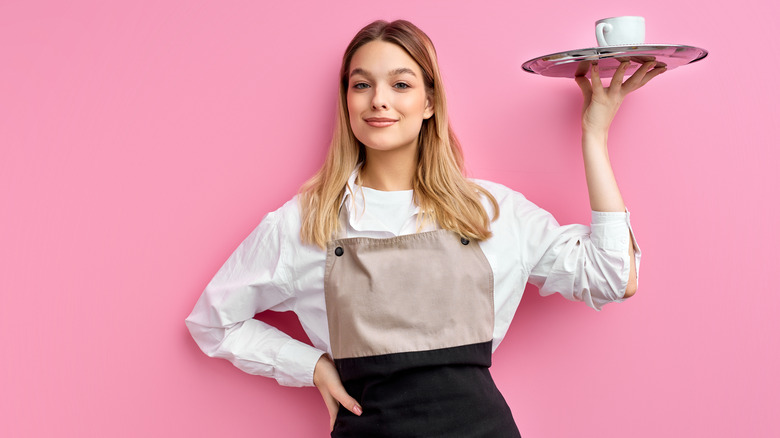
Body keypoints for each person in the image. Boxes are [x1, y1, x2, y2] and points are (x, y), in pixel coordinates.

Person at [185, 19, 662, 437]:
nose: (379, 102)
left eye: (401, 84)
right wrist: (312, 366)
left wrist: (594, 136)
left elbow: (613, 277)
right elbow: (213, 321)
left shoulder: (490, 211)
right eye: (361, 85)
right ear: (346, 101)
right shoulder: (306, 221)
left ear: (430, 101)